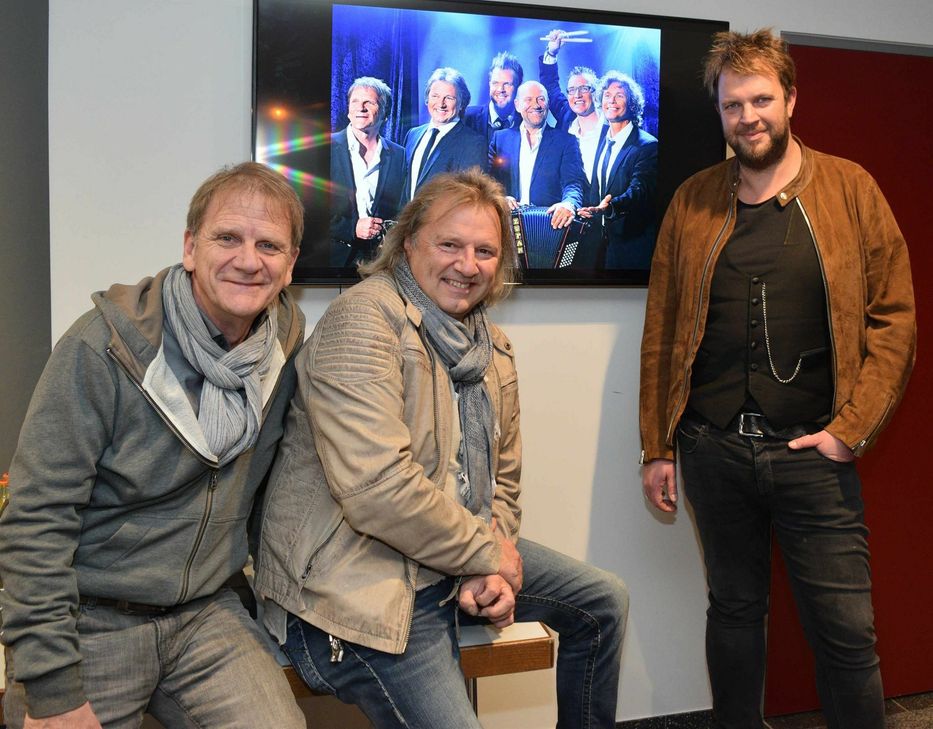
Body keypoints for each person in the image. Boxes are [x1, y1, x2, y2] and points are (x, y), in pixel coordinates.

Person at [254, 168, 629, 729]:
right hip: (350, 582)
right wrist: (484, 554)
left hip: (446, 556)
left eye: (484, 250)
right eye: (449, 244)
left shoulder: (491, 346)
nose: (467, 264)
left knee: (604, 601)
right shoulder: (362, 321)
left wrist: (493, 564)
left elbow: (504, 479)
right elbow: (378, 491)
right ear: (408, 245)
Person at [639, 29, 915, 729]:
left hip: (813, 457)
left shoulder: (851, 189)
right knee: (731, 611)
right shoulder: (691, 202)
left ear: (790, 98)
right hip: (713, 450)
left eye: (761, 99)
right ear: (719, 112)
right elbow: (662, 329)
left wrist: (849, 431)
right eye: (732, 105)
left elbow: (895, 320)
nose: (747, 116)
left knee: (846, 632)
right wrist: (658, 446)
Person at [0, 163, 308, 729]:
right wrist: (51, 687)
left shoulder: (283, 343)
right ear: (190, 248)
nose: (248, 259)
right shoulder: (101, 349)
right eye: (227, 238)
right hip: (93, 619)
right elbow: (35, 520)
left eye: (269, 245)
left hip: (206, 613)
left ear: (290, 267)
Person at [578, 71, 657, 270]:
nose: (611, 101)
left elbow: (639, 191)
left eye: (619, 95)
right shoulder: (604, 136)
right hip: (599, 245)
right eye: (607, 95)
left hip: (631, 246)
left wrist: (611, 207)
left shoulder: (647, 145)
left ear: (631, 103)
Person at [489, 80, 586, 230]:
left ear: (548, 104)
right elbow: (488, 180)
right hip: (507, 226)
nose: (536, 105)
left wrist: (569, 204)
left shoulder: (566, 141)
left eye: (541, 99)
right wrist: (500, 198)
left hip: (550, 227)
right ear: (517, 104)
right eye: (528, 99)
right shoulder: (500, 139)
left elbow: (573, 183)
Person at [330, 76, 406, 267]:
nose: (360, 108)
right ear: (348, 110)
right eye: (354, 102)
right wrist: (351, 229)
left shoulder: (399, 155)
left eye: (368, 102)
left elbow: (402, 210)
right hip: (334, 262)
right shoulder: (326, 148)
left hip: (381, 265)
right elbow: (309, 210)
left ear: (385, 113)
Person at [401, 67, 487, 204]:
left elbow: (469, 198)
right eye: (435, 96)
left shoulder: (473, 143)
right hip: (408, 223)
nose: (441, 104)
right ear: (427, 99)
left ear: (461, 104)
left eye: (449, 98)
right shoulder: (413, 135)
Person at [539, 29, 605, 184]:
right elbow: (550, 86)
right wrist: (551, 52)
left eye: (584, 88)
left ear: (595, 92)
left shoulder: (611, 123)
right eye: (572, 90)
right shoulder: (566, 116)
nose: (577, 95)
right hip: (570, 199)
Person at [463, 51, 524, 145]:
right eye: (495, 83)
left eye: (507, 84)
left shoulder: (526, 122)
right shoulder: (466, 117)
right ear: (489, 84)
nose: (501, 89)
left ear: (518, 86)